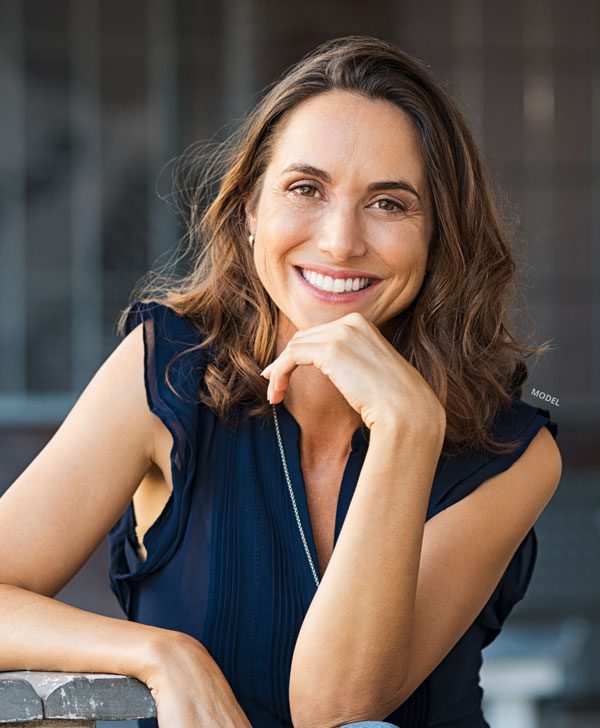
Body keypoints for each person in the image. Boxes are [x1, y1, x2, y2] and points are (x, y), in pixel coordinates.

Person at [0, 35, 561, 728]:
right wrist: (160, 654)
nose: (339, 242)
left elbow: (334, 709)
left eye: (389, 204)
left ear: (439, 237)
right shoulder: (167, 369)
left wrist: (406, 433)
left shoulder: (514, 450)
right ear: (249, 212)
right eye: (305, 189)